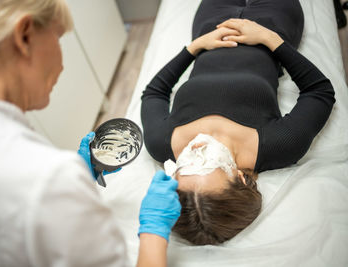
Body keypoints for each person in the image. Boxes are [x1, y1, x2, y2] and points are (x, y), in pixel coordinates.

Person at [0, 0, 180, 266]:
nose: (61, 65)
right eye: (58, 38)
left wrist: (77, 176)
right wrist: (154, 231)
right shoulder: (47, 180)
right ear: (24, 35)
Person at [141, 0, 335, 245]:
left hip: (211, 23)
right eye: (207, 164)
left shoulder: (162, 142)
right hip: (274, 19)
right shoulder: (280, 145)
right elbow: (319, 91)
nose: (196, 150)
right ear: (241, 178)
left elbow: (154, 93)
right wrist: (268, 38)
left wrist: (195, 47)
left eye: (187, 165)